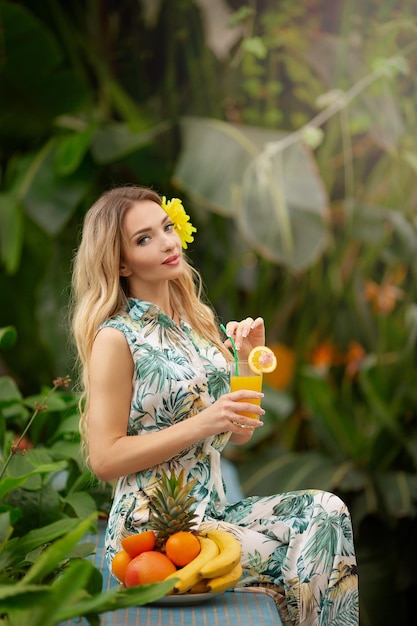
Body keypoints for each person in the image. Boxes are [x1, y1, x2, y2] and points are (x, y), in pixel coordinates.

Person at [71, 185, 359, 626]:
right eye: (144, 238)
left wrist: (248, 361)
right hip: (154, 532)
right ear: (121, 261)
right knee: (301, 552)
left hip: (214, 513)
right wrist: (201, 423)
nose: (167, 242)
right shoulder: (116, 338)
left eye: (166, 228)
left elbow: (237, 431)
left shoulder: (197, 323)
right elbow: (105, 458)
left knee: (326, 510)